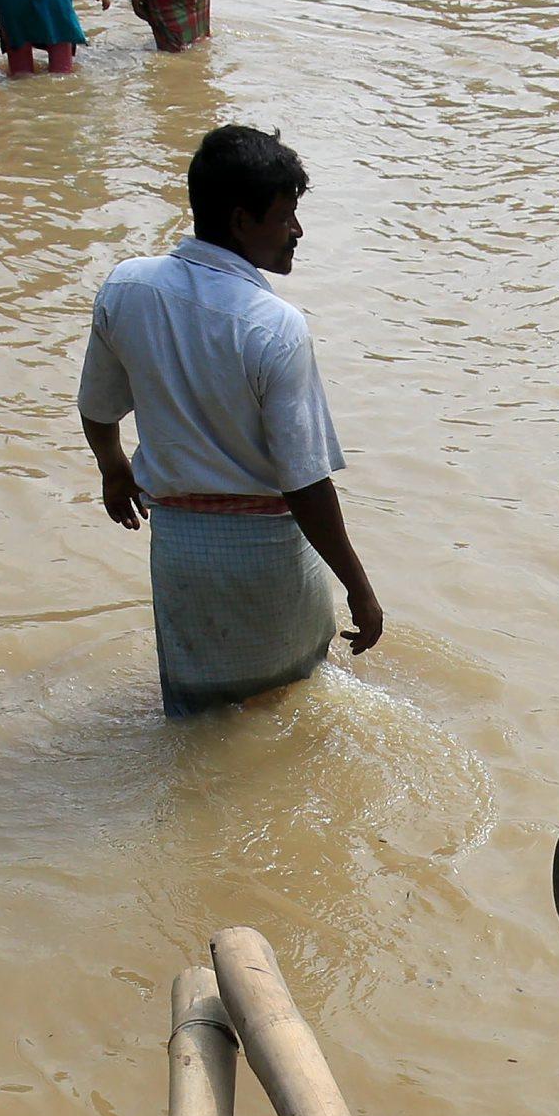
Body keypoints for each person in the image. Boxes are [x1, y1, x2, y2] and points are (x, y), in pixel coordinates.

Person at [79, 126, 388, 710]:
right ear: (242, 220)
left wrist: (114, 469)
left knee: (196, 718)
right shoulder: (274, 326)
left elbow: (97, 407)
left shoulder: (127, 288)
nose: (297, 231)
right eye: (286, 216)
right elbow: (305, 481)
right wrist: (359, 588)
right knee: (293, 712)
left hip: (180, 553)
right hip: (268, 555)